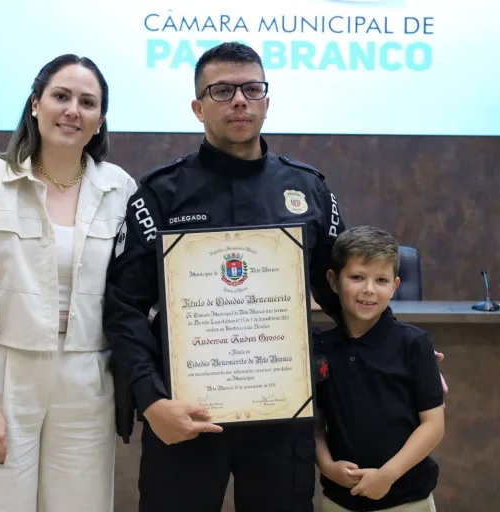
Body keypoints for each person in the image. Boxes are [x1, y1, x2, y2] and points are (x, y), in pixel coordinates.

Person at [102, 41, 346, 512]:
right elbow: (123, 308)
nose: (239, 100)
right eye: (221, 90)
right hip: (185, 414)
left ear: (267, 102)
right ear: (197, 107)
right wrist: (151, 402)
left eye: (251, 88)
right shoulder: (160, 194)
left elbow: (340, 291)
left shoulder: (308, 189)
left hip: (282, 415)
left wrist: (399, 350)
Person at [0, 54, 136, 512]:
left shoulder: (120, 188)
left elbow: (133, 293)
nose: (73, 110)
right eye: (61, 96)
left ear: (100, 120)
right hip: (3, 375)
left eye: (87, 102)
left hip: (88, 375)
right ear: (35, 104)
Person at [313, 226, 445, 512]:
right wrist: (326, 466)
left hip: (408, 499)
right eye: (357, 277)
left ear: (395, 285)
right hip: (339, 500)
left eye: (381, 280)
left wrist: (387, 475)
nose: (369, 290)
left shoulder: (415, 344)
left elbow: (433, 425)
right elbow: (315, 422)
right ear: (334, 281)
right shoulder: (320, 347)